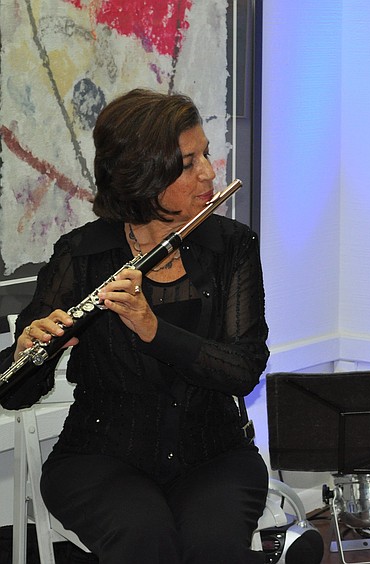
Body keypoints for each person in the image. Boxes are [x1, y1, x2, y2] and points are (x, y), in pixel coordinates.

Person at [0, 89, 270, 563]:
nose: (209, 171)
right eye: (190, 163)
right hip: (102, 457)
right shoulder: (82, 255)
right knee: (145, 544)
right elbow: (13, 394)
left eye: (205, 154)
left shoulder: (233, 247)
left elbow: (243, 370)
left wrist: (153, 328)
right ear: (145, 176)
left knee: (212, 549)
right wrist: (28, 352)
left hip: (214, 455)